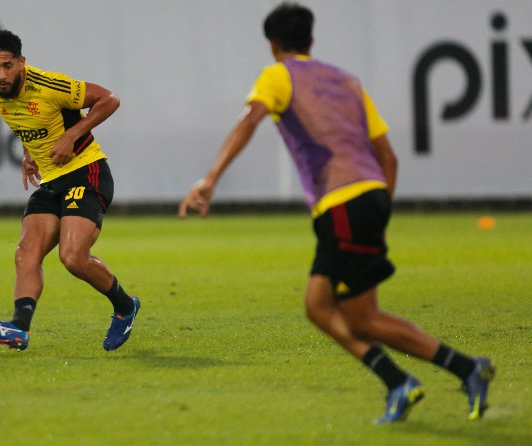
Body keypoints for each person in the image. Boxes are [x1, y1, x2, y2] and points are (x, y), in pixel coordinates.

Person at [178, 2, 494, 423]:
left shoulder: (278, 75)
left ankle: (467, 368)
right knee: (317, 305)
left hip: (343, 204)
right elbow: (389, 157)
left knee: (363, 318)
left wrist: (211, 176)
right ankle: (398, 382)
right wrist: (378, 212)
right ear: (311, 40)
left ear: (272, 44)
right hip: (370, 197)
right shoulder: (348, 81)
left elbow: (250, 119)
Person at [0, 30, 140, 352]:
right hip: (51, 181)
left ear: (21, 63)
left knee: (73, 258)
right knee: (26, 254)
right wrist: (28, 154)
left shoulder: (49, 85)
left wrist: (72, 135)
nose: (2, 74)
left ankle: (125, 305)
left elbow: (110, 99)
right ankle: (19, 328)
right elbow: (30, 126)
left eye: (8, 66)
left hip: (86, 172)